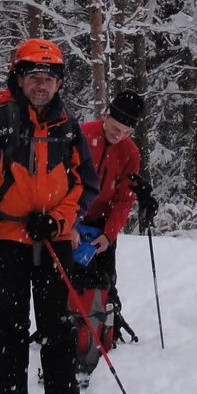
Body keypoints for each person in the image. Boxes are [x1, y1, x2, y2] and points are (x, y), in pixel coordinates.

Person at [0, 38, 99, 394]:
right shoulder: (1, 121)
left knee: (56, 322)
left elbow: (85, 187)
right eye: (34, 77)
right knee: (12, 319)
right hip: (7, 236)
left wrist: (57, 219)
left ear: (59, 84)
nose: (41, 85)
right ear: (19, 79)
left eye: (49, 78)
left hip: (53, 238)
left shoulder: (69, 127)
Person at [72, 91, 146, 375]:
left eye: (126, 131)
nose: (119, 135)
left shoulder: (130, 152)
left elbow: (124, 198)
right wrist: (70, 225)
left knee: (105, 280)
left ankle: (104, 327)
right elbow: (66, 181)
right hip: (71, 219)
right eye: (115, 128)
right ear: (105, 117)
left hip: (102, 224)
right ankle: (63, 329)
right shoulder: (80, 135)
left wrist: (109, 235)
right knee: (64, 279)